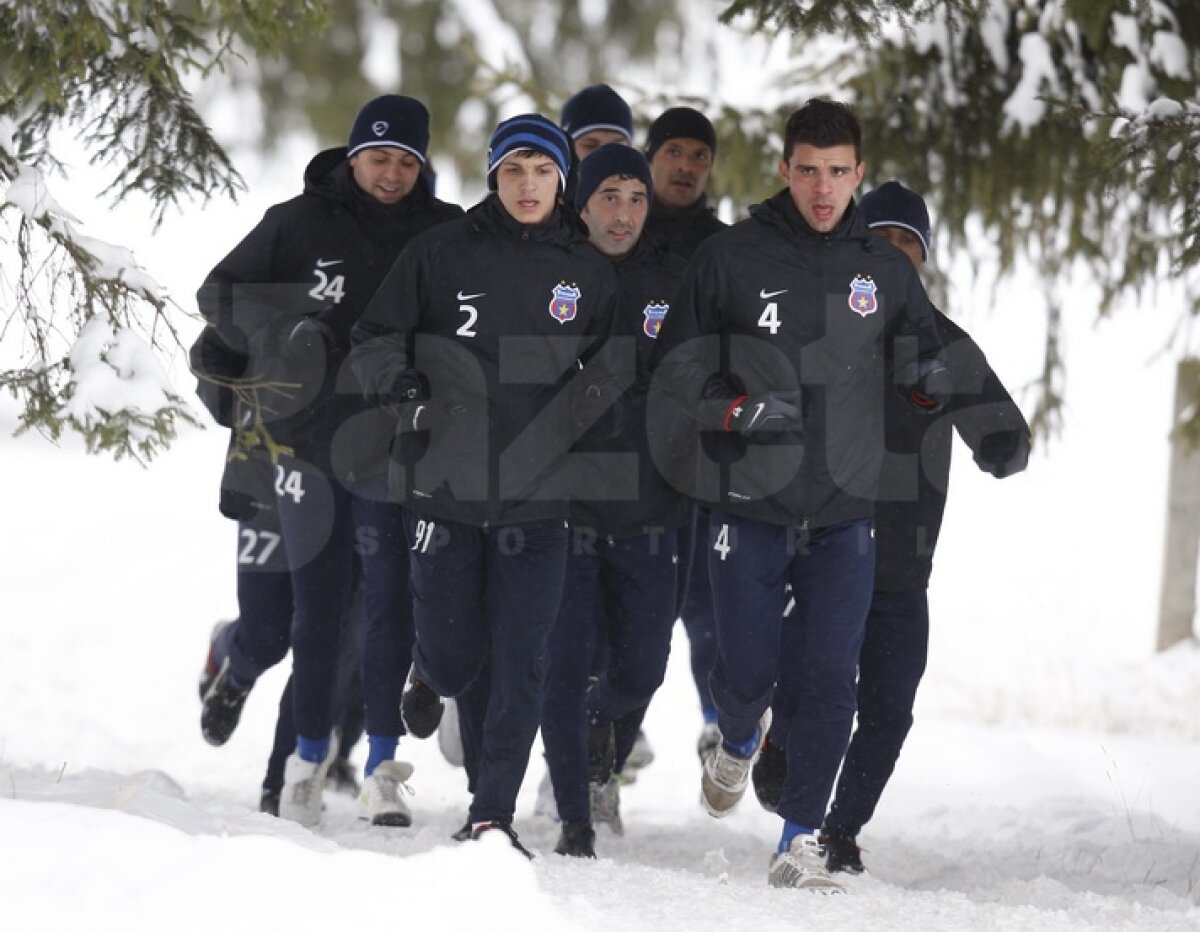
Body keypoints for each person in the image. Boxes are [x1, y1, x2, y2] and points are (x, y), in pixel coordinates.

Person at [655, 97, 950, 892]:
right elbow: (679, 369)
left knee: (829, 680)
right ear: (785, 170)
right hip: (747, 505)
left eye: (840, 173)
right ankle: (740, 735)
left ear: (859, 173)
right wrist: (734, 409)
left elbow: (923, 353)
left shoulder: (884, 269)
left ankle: (799, 840)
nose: (824, 190)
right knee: (746, 675)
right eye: (810, 171)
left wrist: (927, 384)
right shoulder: (732, 257)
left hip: (846, 514)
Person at [349, 113, 619, 857]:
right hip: (444, 490)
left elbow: (612, 367)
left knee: (524, 656)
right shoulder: (439, 253)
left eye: (541, 172)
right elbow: (373, 341)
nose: (527, 186)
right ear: (493, 175)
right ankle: (430, 673)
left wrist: (581, 414)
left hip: (539, 496)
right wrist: (404, 388)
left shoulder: (590, 273)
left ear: (561, 179)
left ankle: (490, 813)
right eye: (513, 171)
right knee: (454, 652)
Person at [194, 94, 462, 829]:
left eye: (407, 161)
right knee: (301, 619)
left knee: (376, 613)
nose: (392, 173)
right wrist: (287, 336)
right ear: (353, 156)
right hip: (298, 450)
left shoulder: (441, 233)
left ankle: (360, 766)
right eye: (379, 158)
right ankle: (293, 762)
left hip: (393, 452)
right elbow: (219, 294)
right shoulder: (297, 221)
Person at [751, 181, 1031, 874]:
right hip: (822, 549)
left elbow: (1007, 436)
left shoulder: (947, 343)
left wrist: (995, 437)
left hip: (905, 563)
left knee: (888, 709)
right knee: (818, 685)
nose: (896, 255)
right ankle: (783, 739)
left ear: (924, 259)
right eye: (883, 241)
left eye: (910, 243)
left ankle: (841, 831)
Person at [539, 144, 689, 857]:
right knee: (564, 664)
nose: (624, 212)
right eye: (609, 197)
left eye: (635, 197)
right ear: (581, 202)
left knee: (641, 667)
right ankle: (574, 812)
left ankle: (602, 748)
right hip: (562, 508)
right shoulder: (550, 270)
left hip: (651, 509)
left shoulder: (673, 279)